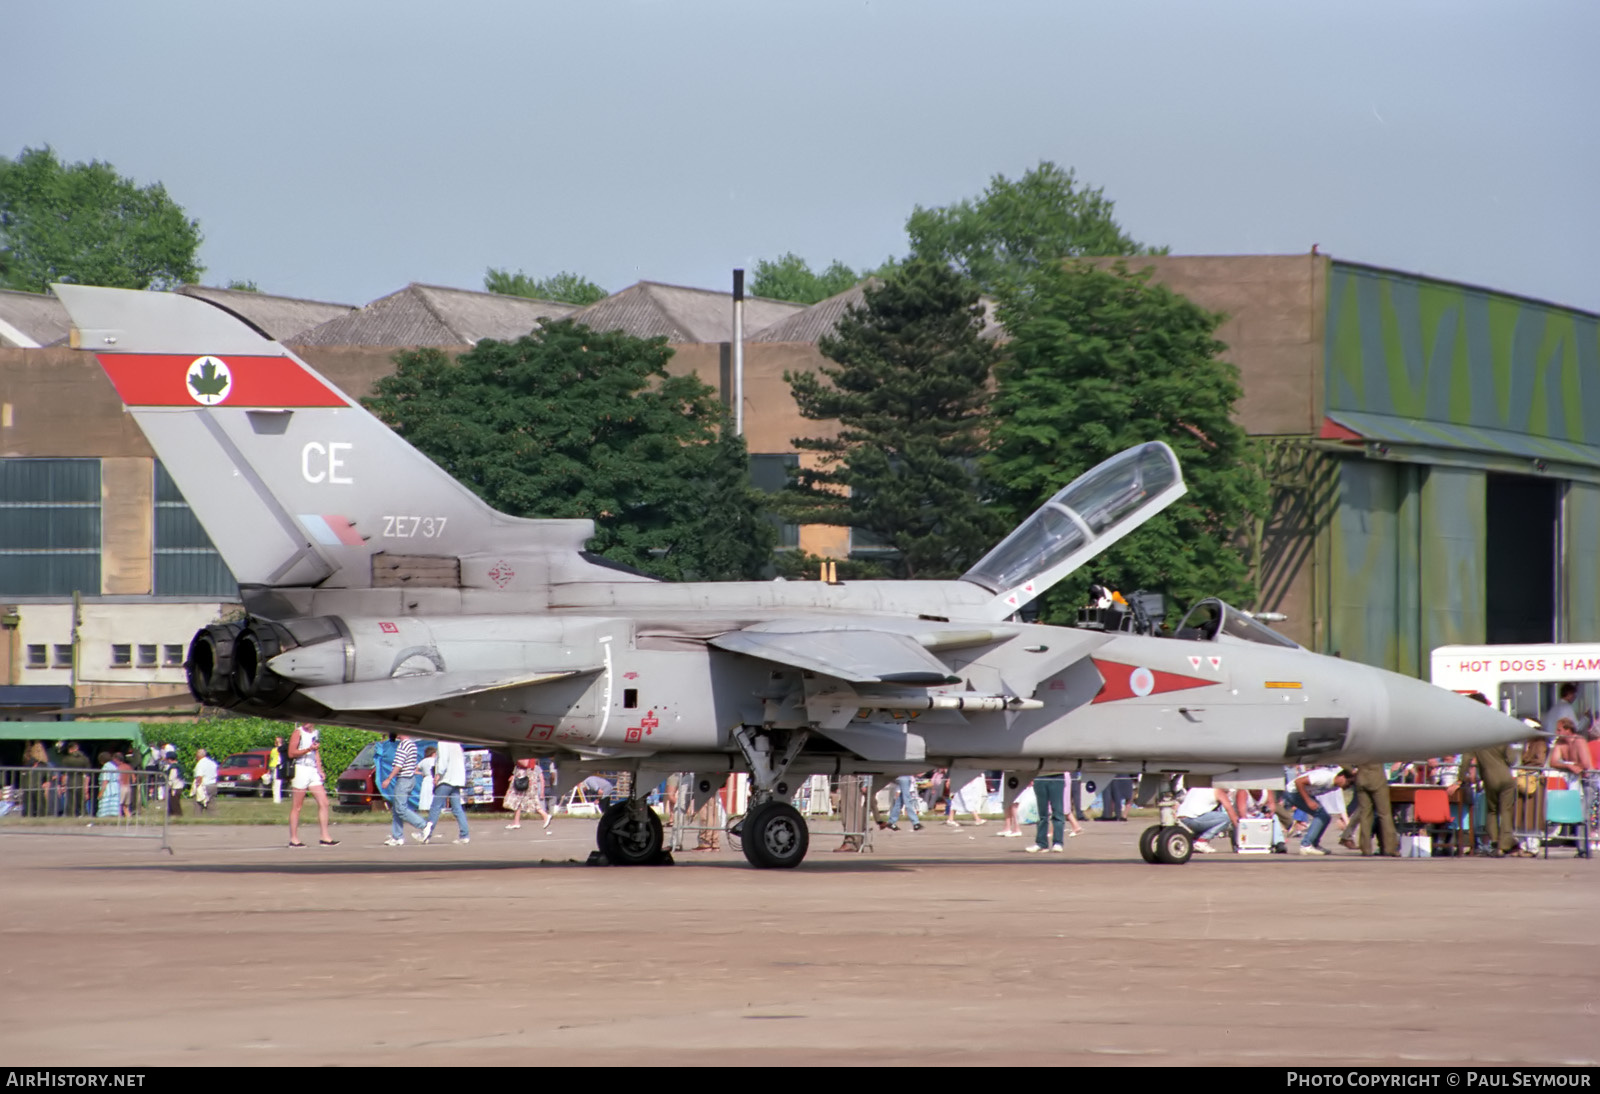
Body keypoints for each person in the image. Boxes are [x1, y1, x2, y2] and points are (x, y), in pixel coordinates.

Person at [1280, 766, 1355, 854]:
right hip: (1293, 792)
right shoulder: (1324, 778)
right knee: (1321, 815)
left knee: (1326, 817)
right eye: (1348, 782)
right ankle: (1306, 845)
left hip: (1303, 793)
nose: (1348, 786)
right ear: (1342, 776)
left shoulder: (1335, 786)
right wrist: (1308, 801)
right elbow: (1298, 782)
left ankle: (1313, 844)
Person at [287, 723, 338, 847]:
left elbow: (316, 753)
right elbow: (291, 753)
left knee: (324, 802)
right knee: (297, 806)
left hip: (312, 769)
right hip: (301, 768)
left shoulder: (315, 733)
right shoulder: (298, 732)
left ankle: (325, 837)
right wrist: (308, 749)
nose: (306, 723)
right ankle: (294, 838)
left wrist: (319, 769)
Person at [380, 733, 428, 847]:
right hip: (410, 779)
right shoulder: (412, 745)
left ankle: (424, 825)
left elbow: (399, 765)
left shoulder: (403, 746)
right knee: (397, 809)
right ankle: (397, 836)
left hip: (403, 779)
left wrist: (389, 778)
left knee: (401, 809)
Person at [421, 740, 470, 845]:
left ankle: (426, 834)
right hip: (457, 779)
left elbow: (443, 760)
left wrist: (438, 774)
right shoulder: (457, 744)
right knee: (457, 808)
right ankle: (464, 835)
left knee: (435, 806)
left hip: (446, 779)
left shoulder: (442, 742)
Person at [1347, 762, 1400, 857]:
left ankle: (1365, 848)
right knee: (1384, 814)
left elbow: (1342, 759)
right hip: (1377, 779)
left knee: (1365, 815)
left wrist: (1351, 770)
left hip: (1361, 778)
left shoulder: (1359, 748)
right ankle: (1390, 848)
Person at [1175, 783, 1238, 853]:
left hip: (1181, 819)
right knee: (1226, 818)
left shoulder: (1196, 787)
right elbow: (1230, 811)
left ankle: (1194, 841)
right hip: (1192, 820)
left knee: (1208, 818)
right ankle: (1202, 841)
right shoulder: (1219, 791)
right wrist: (1240, 829)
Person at [503, 756, 551, 831]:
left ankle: (545, 815)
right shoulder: (525, 750)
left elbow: (525, 763)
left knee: (529, 799)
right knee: (518, 799)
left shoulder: (523, 752)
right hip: (523, 775)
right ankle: (516, 822)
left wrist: (516, 758)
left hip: (525, 776)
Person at [1024, 773, 1070, 852]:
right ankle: (1041, 843)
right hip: (1039, 775)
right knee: (1041, 813)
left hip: (1057, 775)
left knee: (1057, 811)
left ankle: (1058, 842)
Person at [95, 751, 121, 819]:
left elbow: (105, 780)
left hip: (108, 789)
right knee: (114, 808)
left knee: (105, 807)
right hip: (115, 789)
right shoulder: (114, 766)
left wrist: (101, 793)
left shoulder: (106, 767)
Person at [191, 748, 218, 812]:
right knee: (211, 804)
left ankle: (197, 818)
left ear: (198, 756)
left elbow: (199, 777)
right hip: (213, 785)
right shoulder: (212, 763)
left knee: (198, 804)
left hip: (204, 786)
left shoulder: (200, 764)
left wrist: (196, 787)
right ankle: (212, 818)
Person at [267, 735, 285, 804]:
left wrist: (280, 744)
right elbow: (271, 759)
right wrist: (268, 770)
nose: (276, 742)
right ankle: (275, 798)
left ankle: (277, 799)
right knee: (274, 784)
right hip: (273, 767)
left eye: (277, 741)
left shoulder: (282, 749)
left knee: (277, 783)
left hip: (278, 767)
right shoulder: (273, 750)